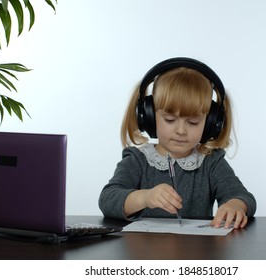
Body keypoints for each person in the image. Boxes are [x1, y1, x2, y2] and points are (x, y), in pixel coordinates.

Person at [98, 57, 256, 229]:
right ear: (149, 118)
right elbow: (107, 199)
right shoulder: (137, 160)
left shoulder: (211, 162)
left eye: (193, 122)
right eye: (170, 119)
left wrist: (235, 205)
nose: (181, 130)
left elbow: (242, 196)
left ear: (211, 123)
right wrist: (144, 197)